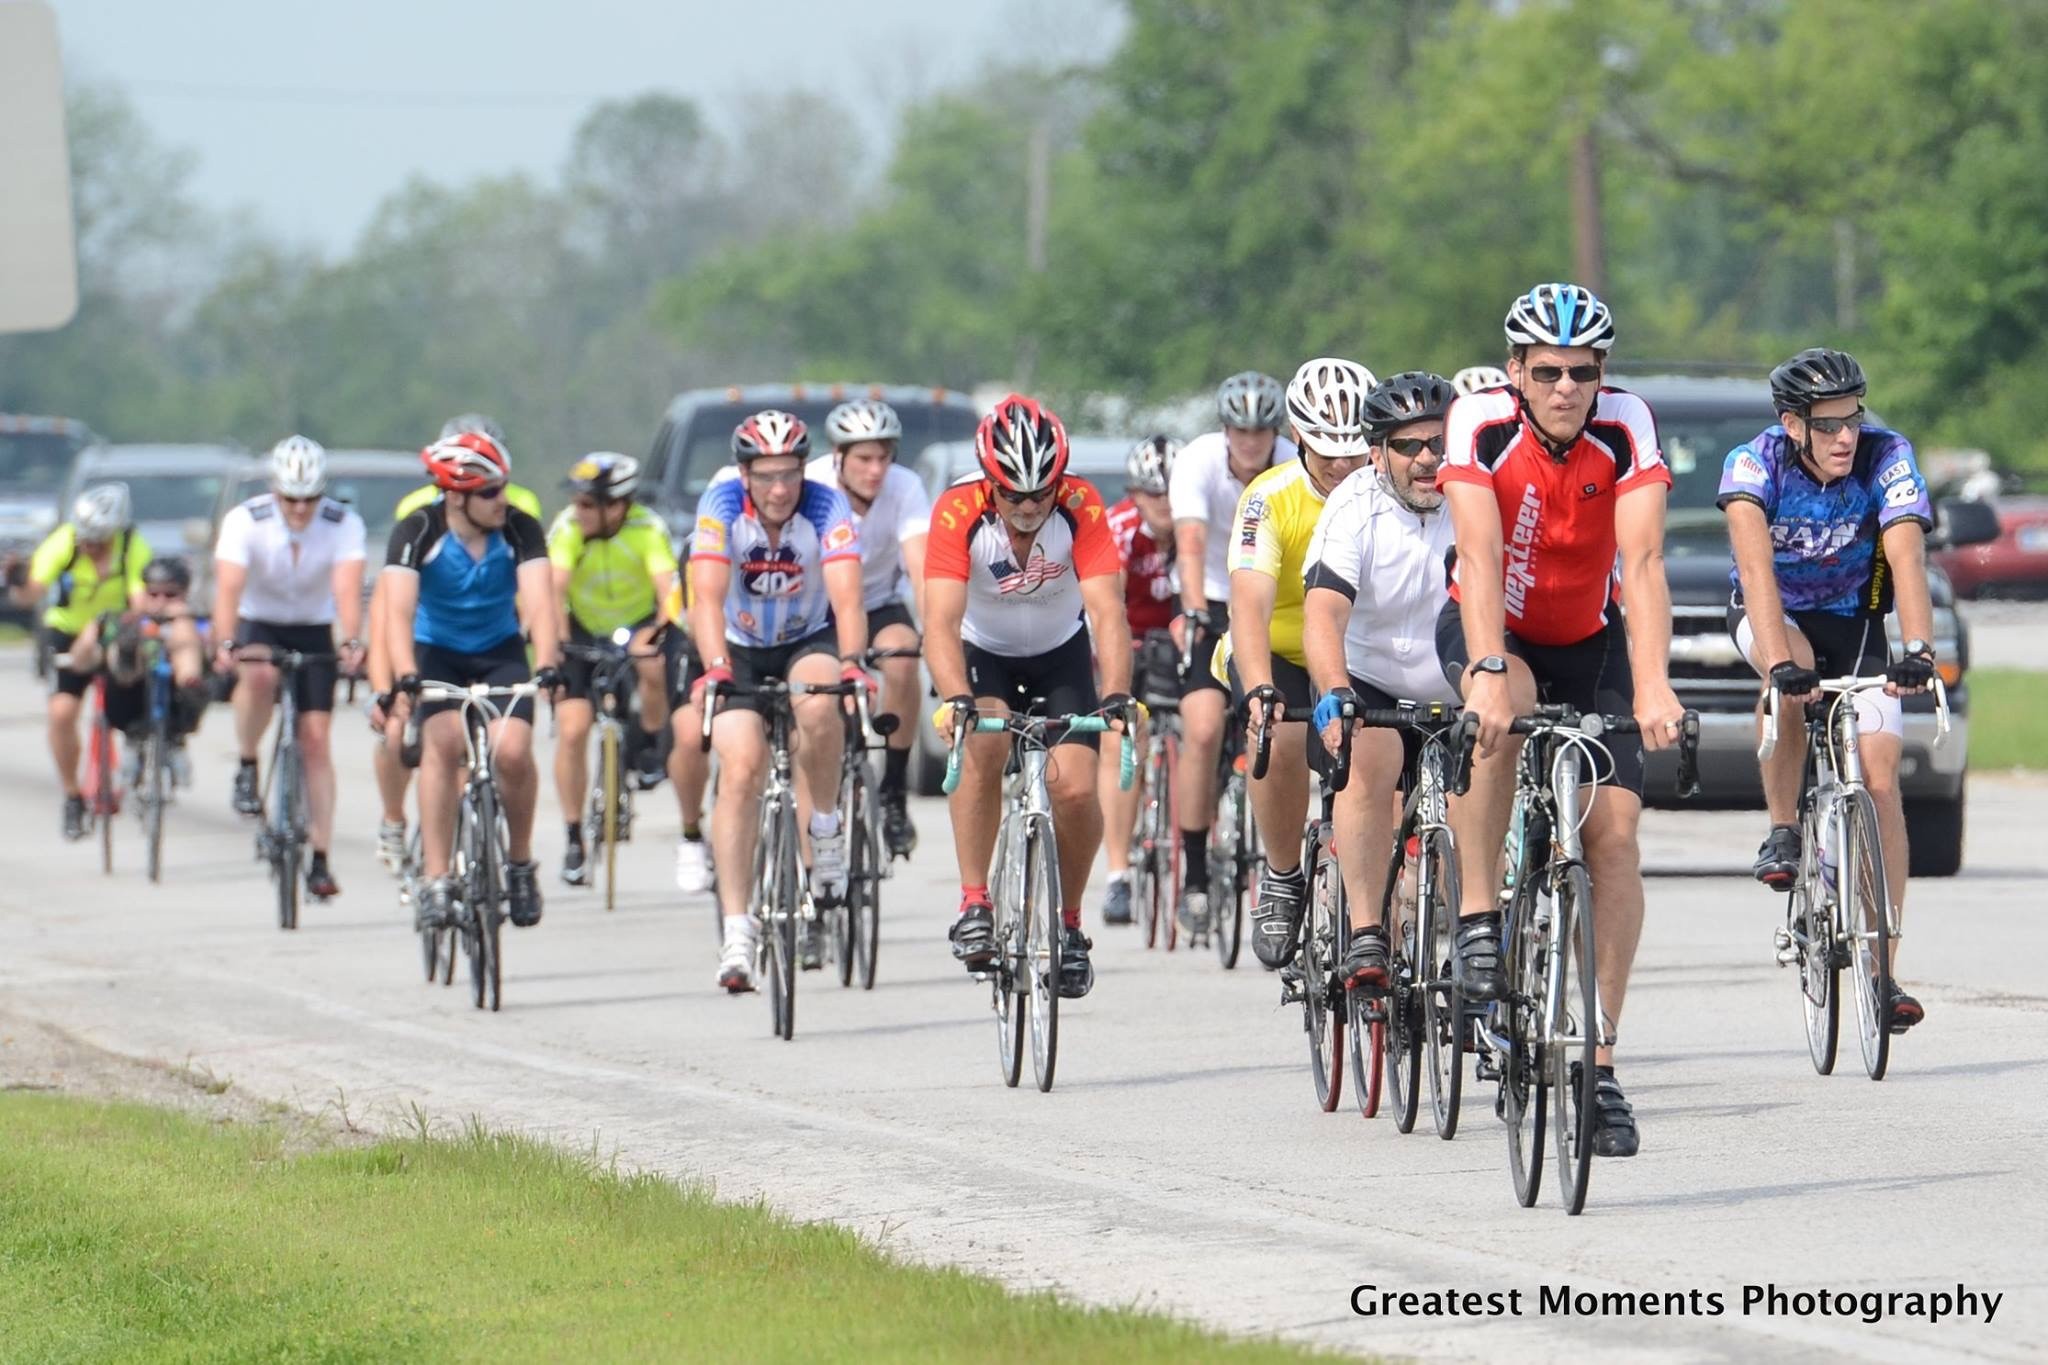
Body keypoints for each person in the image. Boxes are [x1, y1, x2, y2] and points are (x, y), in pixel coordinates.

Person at [1437, 282, 1686, 1160]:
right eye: (1547, 371)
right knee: (1501, 722)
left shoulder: (1627, 426)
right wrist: (1492, 672)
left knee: (1614, 834)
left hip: (1591, 638)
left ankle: (1599, 1064)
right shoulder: (1478, 422)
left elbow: (1645, 560)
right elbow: (1476, 551)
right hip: (1492, 624)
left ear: (1602, 372)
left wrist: (1652, 684)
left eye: (1583, 371)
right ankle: (1475, 916)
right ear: (1516, 371)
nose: (1566, 387)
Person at [1718, 347, 1936, 1033]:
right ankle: (1783, 829)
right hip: (1774, 613)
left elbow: (1904, 554)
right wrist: (1781, 664)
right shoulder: (1755, 465)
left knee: (1881, 781)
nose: (1846, 436)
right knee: (1793, 685)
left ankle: (1883, 969)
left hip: (1858, 618)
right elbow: (1754, 569)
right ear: (1792, 424)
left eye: (1853, 420)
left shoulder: (1884, 454)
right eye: (1829, 424)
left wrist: (1919, 648)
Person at [925, 395, 1133, 998]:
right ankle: (974, 903)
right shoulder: (956, 509)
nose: (1027, 506)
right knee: (983, 744)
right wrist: (954, 698)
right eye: (1012, 494)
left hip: (1059, 652)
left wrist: (1116, 694)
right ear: (989, 484)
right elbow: (938, 623)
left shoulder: (1081, 505)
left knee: (1073, 784)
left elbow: (1107, 613)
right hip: (981, 653)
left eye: (1041, 493)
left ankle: (1068, 925)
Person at [690, 410, 870, 991]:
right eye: (766, 475)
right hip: (738, 646)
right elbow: (707, 594)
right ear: (744, 473)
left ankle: (823, 825)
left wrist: (851, 662)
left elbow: (846, 596)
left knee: (819, 703)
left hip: (805, 637)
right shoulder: (719, 505)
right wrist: (715, 666)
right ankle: (738, 929)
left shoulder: (825, 505)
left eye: (790, 473)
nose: (779, 488)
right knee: (741, 768)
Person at [1301, 371, 1462, 991]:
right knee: (1372, 755)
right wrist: (1336, 691)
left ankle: (1479, 924)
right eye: (1408, 446)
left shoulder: (1473, 494)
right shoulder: (1353, 507)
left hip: (1454, 682)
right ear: (1377, 454)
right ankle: (1368, 929)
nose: (1427, 460)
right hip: (1370, 681)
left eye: (1438, 443)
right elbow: (1324, 612)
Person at [1214, 358, 1375, 967]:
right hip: (1278, 647)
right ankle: (1282, 876)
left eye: (1355, 450)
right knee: (1278, 734)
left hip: (1352, 650)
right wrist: (1258, 689)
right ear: (1297, 436)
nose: (1341, 464)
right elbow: (1248, 608)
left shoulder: (1389, 492)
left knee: (1378, 754)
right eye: (1326, 448)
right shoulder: (1269, 497)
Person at [382, 430, 561, 933]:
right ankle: (437, 876)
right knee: (440, 743)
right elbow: (396, 613)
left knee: (512, 750)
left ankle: (521, 863)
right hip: (436, 654)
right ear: (456, 497)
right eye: (489, 492)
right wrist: (404, 677)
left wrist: (546, 663)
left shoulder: (520, 528)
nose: (502, 500)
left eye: (503, 487)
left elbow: (542, 605)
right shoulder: (418, 529)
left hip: (500, 652)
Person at [1166, 371, 1295, 934]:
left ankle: (1283, 865)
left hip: (1272, 603)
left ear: (1275, 432)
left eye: (1260, 431)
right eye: (1239, 430)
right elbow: (1190, 545)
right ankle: (1194, 874)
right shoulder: (1197, 461)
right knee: (1200, 728)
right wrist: (1194, 610)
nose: (1249, 441)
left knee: (1275, 725)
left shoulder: (1294, 458)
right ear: (1224, 431)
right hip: (1215, 597)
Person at [212, 436, 367, 900]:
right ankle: (247, 760)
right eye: (290, 499)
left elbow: (346, 589)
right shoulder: (246, 520)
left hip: (314, 627)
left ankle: (320, 856)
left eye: (309, 500)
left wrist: (353, 640)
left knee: (316, 740)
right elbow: (228, 590)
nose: (300, 510)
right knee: (257, 676)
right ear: (274, 491)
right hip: (260, 623)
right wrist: (225, 641)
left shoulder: (343, 523)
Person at [547, 453, 678, 886]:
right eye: (578, 503)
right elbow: (554, 588)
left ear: (617, 506)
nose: (578, 512)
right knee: (571, 729)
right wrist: (560, 641)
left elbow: (669, 591)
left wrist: (656, 630)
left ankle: (649, 747)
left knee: (653, 664)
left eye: (589, 505)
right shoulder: (567, 528)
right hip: (583, 627)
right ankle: (572, 838)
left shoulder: (646, 529)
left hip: (637, 622)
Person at [814, 398, 933, 858]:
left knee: (904, 657)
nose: (876, 469)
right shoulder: (813, 484)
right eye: (864, 458)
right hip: (820, 608)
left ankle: (894, 790)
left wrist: (936, 634)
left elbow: (921, 571)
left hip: (878, 602)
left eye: (885, 457)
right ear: (838, 456)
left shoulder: (905, 488)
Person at [7, 483, 152, 838]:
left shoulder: (132, 546)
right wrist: (18, 581)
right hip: (68, 631)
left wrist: (119, 628)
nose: (90, 547)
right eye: (86, 539)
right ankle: (72, 794)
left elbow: (141, 601)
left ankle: (140, 747)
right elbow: (32, 593)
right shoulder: (63, 542)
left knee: (133, 694)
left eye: (99, 540)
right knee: (61, 714)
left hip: (116, 631)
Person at [1098, 434, 1180, 927]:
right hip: (1127, 638)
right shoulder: (1121, 528)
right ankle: (1117, 874)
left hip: (1182, 637)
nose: (1165, 505)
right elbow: (1106, 606)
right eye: (1154, 494)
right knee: (1121, 738)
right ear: (1136, 494)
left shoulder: (1204, 523)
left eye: (1173, 493)